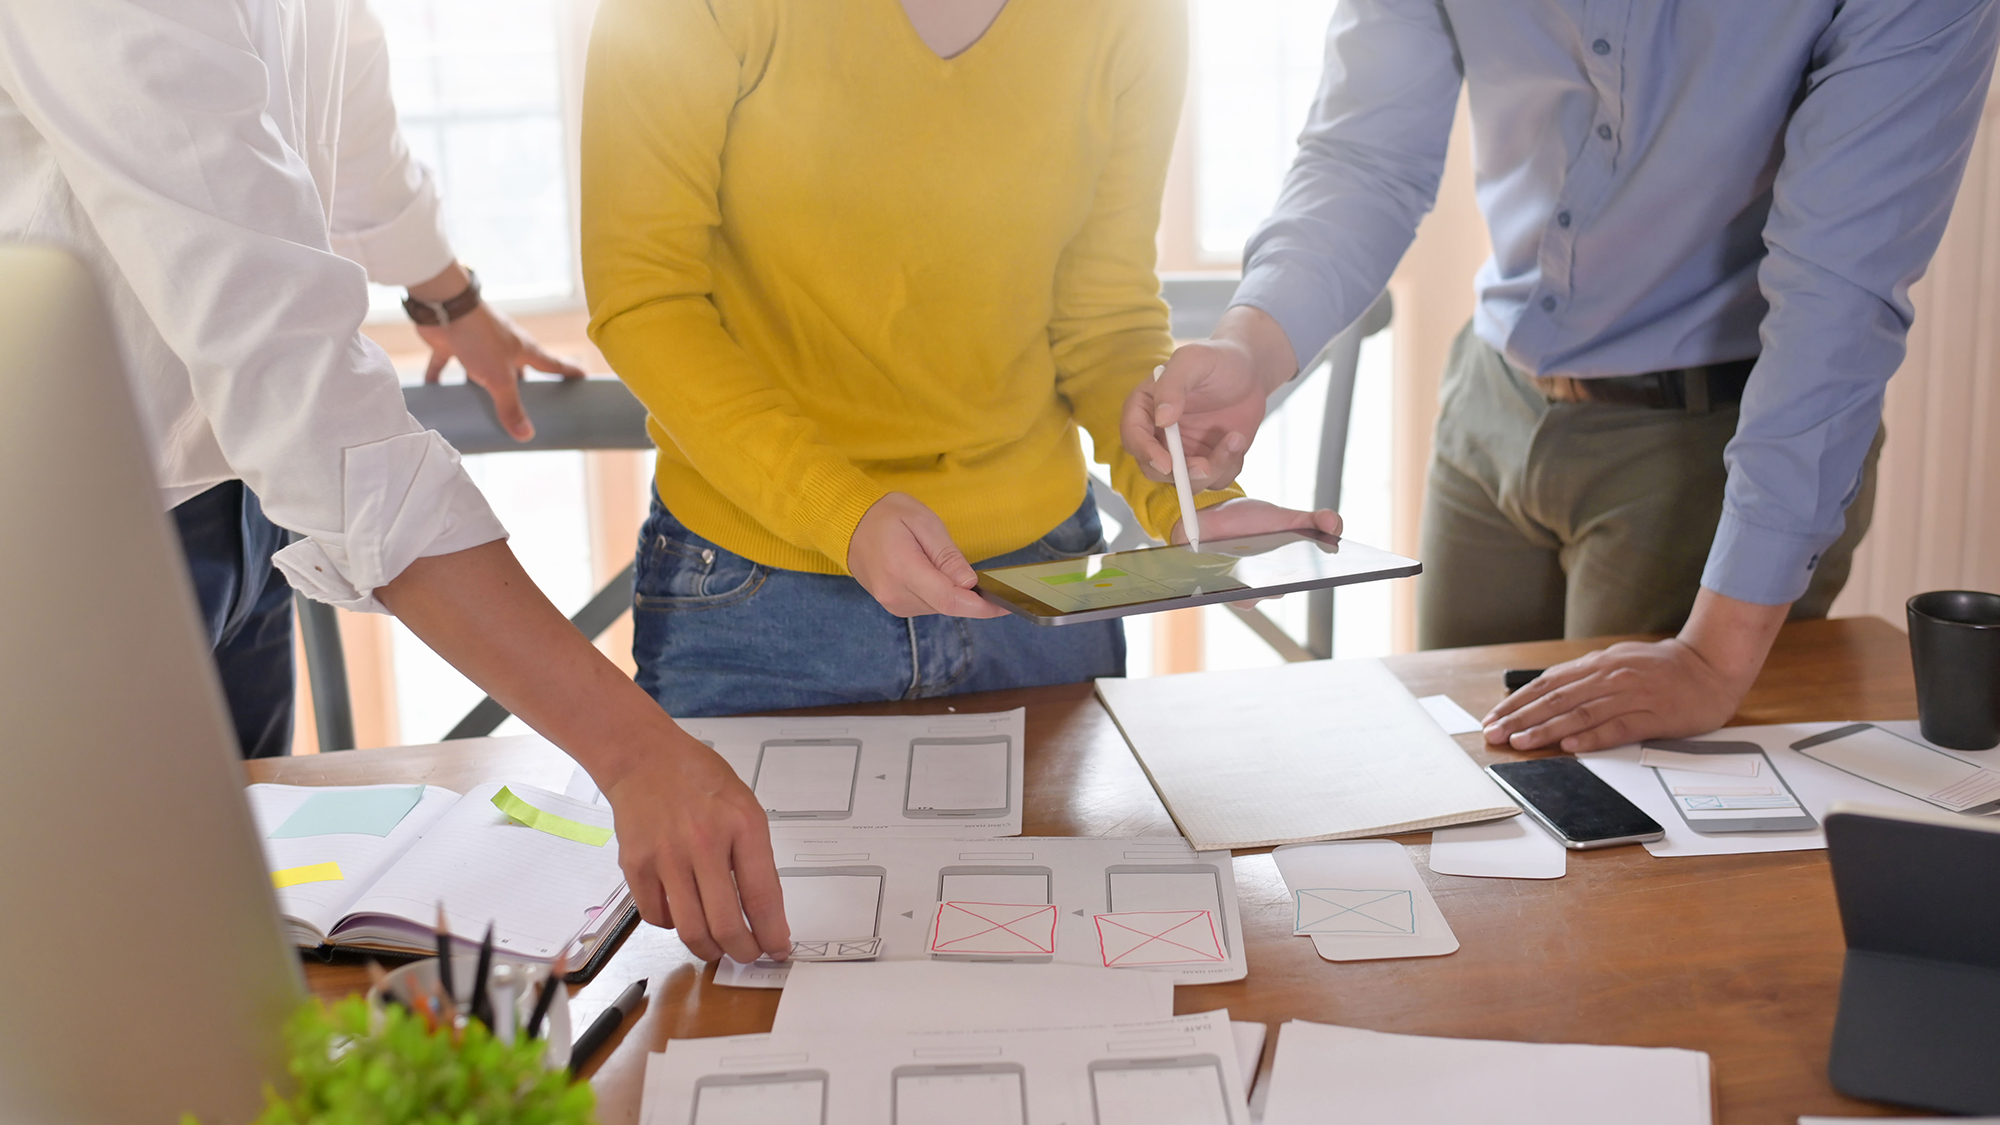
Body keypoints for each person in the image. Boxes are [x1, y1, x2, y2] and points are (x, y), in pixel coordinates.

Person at [0, 0, 788, 965]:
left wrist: (445, 292)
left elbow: (336, 77)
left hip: (237, 507)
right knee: (107, 959)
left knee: (239, 931)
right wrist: (634, 753)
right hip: (69, 527)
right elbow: (306, 396)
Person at [1128, 0, 1998, 755]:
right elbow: (1366, 154)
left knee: (1638, 871)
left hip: (1710, 445)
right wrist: (1255, 346)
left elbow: (1835, 296)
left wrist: (1715, 656)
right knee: (1457, 785)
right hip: (1490, 402)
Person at [581, 0, 1337, 718]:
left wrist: (1190, 504)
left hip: (1044, 590)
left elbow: (1101, 318)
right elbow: (646, 300)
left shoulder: (1134, 16)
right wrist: (840, 509)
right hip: (759, 599)